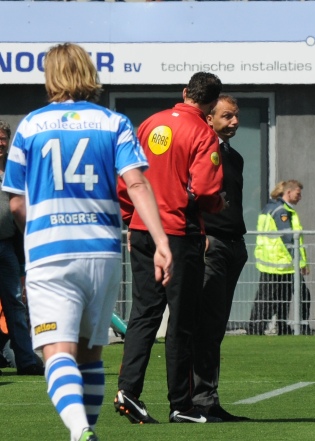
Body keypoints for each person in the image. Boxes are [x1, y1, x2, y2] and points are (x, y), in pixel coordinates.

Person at [2, 43, 172, 441]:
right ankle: (87, 430)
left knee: (57, 352)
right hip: (101, 248)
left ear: (50, 76)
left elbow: (15, 203)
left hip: (51, 250)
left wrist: (39, 226)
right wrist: (162, 241)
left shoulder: (30, 126)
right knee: (91, 354)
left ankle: (80, 431)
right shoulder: (114, 123)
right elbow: (136, 183)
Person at [115, 72, 226, 424]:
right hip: (179, 234)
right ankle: (182, 404)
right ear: (211, 104)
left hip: (143, 230)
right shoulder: (203, 133)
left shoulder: (150, 124)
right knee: (182, 321)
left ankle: (127, 391)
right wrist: (218, 204)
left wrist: (131, 218)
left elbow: (126, 177)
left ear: (184, 92)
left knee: (144, 313)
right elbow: (206, 191)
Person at [192, 95, 250, 421]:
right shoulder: (200, 152)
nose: (235, 122)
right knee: (205, 326)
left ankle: (208, 399)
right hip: (210, 245)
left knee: (215, 328)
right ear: (209, 117)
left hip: (233, 246)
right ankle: (198, 401)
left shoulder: (234, 157)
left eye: (236, 116)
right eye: (227, 116)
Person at [0, 118, 44, 376]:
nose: (1, 142)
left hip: (7, 246)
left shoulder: (15, 171)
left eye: (4, 137)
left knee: (16, 305)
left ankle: (26, 361)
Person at [249, 180, 311, 336]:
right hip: (280, 263)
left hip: (275, 262)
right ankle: (295, 327)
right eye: (298, 193)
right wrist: (301, 263)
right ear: (288, 192)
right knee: (275, 299)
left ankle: (276, 328)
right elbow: (289, 238)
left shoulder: (270, 208)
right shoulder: (281, 211)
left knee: (276, 298)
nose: (300, 197)